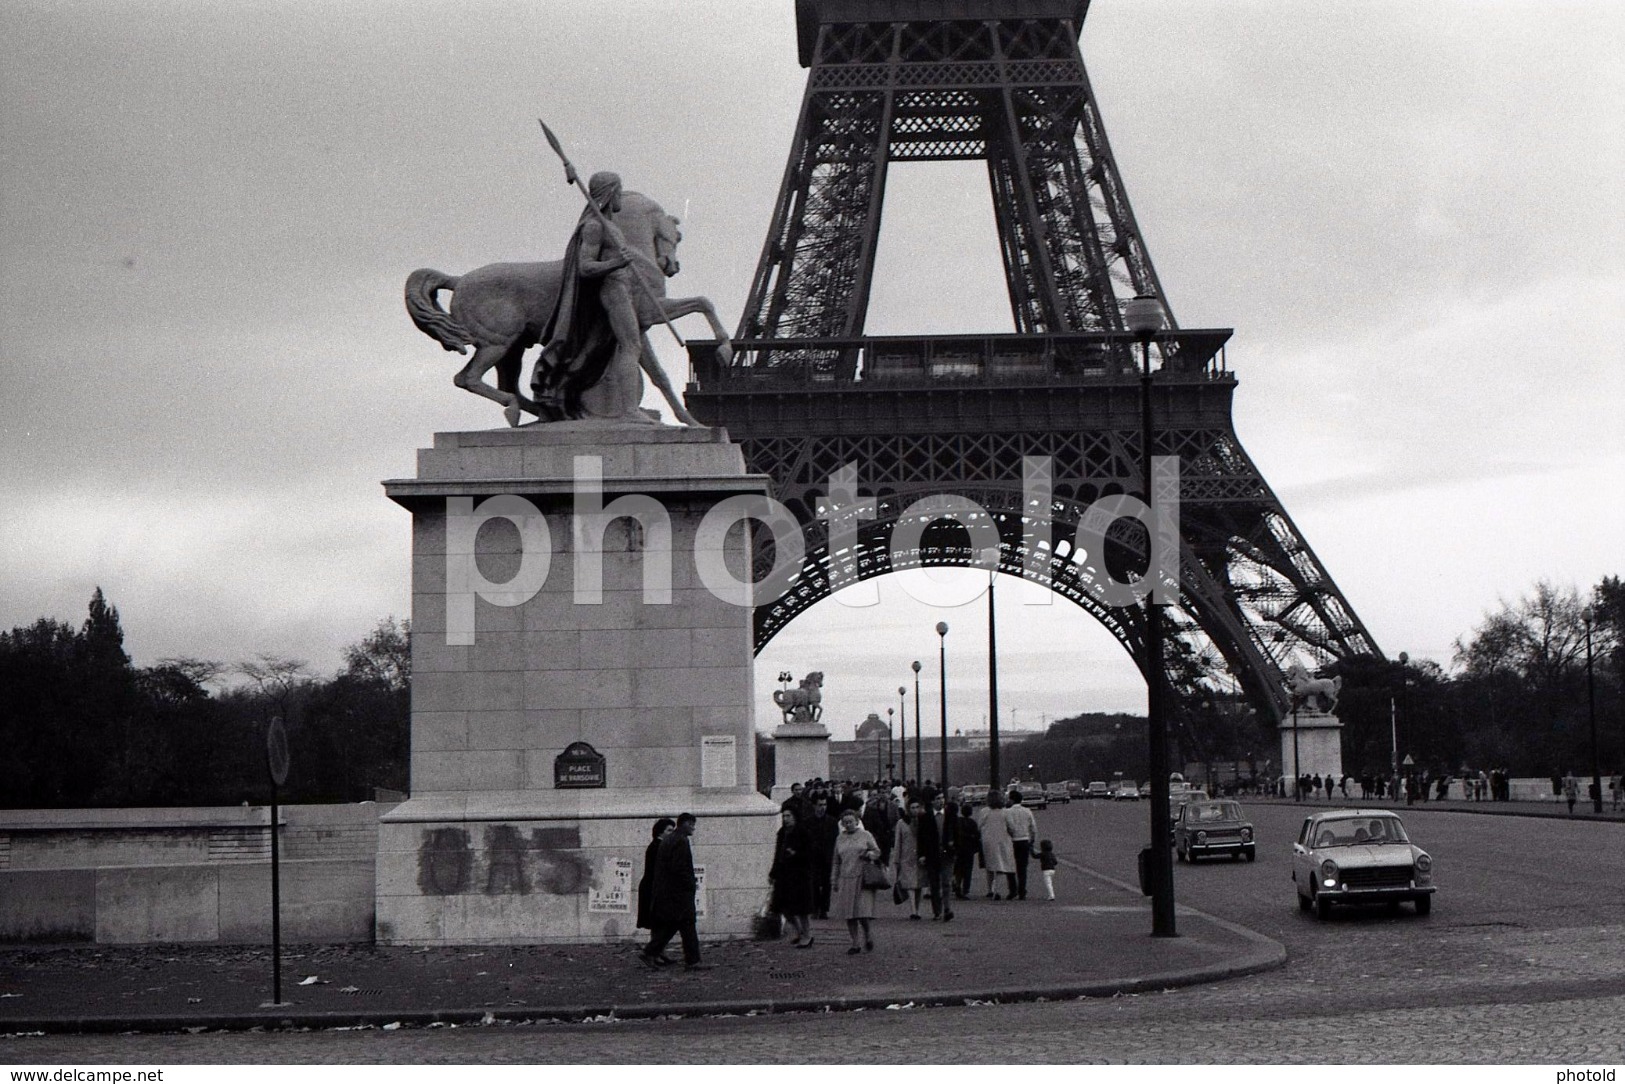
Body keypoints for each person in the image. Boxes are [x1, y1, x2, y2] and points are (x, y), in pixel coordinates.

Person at [641, 813, 710, 971]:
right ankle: (691, 961)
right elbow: (679, 868)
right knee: (685, 925)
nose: (693, 828)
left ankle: (652, 952)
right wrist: (691, 884)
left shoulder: (670, 839)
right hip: (678, 893)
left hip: (670, 893)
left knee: (675, 926)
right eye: (691, 824)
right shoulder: (680, 841)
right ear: (684, 824)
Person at [830, 809, 882, 954]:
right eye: (845, 822)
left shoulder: (866, 835)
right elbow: (836, 861)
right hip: (846, 878)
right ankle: (855, 942)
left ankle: (867, 934)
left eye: (851, 822)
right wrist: (834, 880)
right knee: (849, 914)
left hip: (863, 878)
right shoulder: (839, 838)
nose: (848, 825)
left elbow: (877, 852)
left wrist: (868, 854)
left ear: (857, 821)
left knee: (862, 912)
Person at [769, 807, 816, 948]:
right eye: (784, 816)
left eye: (788, 816)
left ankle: (807, 935)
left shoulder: (803, 832)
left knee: (802, 909)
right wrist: (773, 872)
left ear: (795, 817)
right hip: (784, 874)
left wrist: (795, 854)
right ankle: (798, 931)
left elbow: (810, 853)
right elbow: (777, 854)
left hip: (799, 874)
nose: (785, 819)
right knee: (783, 907)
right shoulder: (782, 833)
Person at [635, 817, 676, 953]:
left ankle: (657, 953)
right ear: (660, 832)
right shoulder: (658, 847)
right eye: (669, 830)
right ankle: (654, 953)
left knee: (658, 923)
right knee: (659, 922)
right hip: (654, 888)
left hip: (653, 887)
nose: (672, 833)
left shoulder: (658, 846)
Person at [976, 789, 1017, 899]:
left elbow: (979, 826)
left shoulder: (984, 811)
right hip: (1002, 839)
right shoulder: (1005, 812)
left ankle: (990, 889)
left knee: (989, 866)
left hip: (987, 840)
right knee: (1000, 865)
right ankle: (997, 890)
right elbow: (1011, 827)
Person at [806, 794, 839, 919]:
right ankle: (815, 907)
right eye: (820, 805)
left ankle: (824, 909)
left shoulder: (832, 821)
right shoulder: (807, 822)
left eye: (824, 805)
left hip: (827, 857)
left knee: (826, 884)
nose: (822, 807)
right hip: (813, 857)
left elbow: (835, 840)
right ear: (814, 805)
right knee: (814, 883)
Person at [1004, 788, 1038, 900]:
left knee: (1010, 867)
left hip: (1011, 841)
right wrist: (1032, 840)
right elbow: (1033, 828)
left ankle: (1012, 890)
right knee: (1022, 868)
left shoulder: (1007, 812)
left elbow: (1009, 826)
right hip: (1024, 840)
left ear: (1012, 800)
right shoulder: (1027, 811)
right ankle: (1022, 890)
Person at [891, 800, 924, 919]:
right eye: (912, 807)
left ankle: (917, 908)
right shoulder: (901, 823)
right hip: (906, 856)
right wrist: (896, 859)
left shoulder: (923, 821)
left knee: (919, 884)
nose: (915, 810)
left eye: (917, 807)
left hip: (920, 856)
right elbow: (897, 841)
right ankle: (913, 910)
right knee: (910, 884)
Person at [953, 802, 981, 900]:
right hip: (969, 849)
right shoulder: (973, 823)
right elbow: (977, 836)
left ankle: (957, 885)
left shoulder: (957, 821)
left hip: (958, 848)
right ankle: (966, 890)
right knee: (968, 871)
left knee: (958, 869)